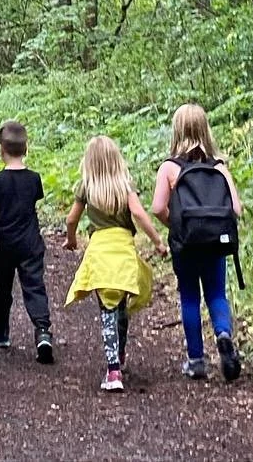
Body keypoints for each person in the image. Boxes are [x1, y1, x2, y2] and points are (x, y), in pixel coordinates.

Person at [64, 135, 166, 392]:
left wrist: (71, 240)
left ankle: (113, 371)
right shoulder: (124, 185)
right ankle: (119, 354)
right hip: (123, 253)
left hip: (100, 253)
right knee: (120, 307)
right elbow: (140, 214)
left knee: (106, 311)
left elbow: (71, 219)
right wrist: (157, 241)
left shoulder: (86, 187)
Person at [152, 103, 243, 382]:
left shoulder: (170, 168)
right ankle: (224, 334)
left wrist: (176, 226)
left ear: (176, 131)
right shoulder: (218, 167)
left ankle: (196, 361)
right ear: (206, 130)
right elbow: (236, 209)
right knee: (216, 294)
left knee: (189, 296)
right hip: (215, 244)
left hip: (186, 245)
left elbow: (157, 208)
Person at [0, 121, 54, 363]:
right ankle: (43, 331)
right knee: (34, 286)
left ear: (1, 149)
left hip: (5, 244)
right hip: (30, 242)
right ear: (26, 148)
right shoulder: (34, 179)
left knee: (3, 289)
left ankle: (1, 333)